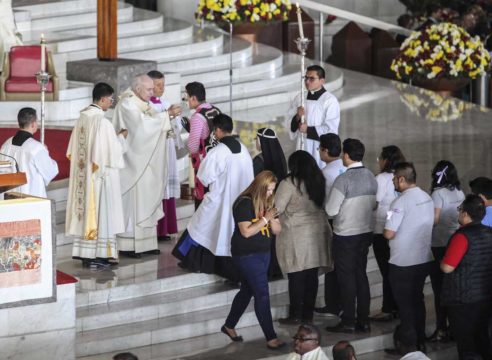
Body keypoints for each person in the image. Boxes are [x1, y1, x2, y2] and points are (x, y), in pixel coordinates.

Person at [172, 114, 253, 280]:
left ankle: (196, 262)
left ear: (217, 130)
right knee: (225, 232)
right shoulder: (244, 150)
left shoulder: (219, 151)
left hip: (220, 199)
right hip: (240, 202)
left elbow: (204, 177)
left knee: (199, 226)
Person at [221, 171, 285, 350]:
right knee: (262, 293)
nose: (271, 193)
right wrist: (266, 218)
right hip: (246, 255)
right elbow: (246, 232)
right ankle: (271, 338)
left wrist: (272, 220)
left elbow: (277, 231)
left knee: (248, 290)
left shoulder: (268, 202)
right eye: (269, 190)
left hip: (264, 253)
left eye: (273, 190)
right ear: (260, 186)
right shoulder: (244, 203)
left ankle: (229, 325)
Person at [66, 83, 128, 267]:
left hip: (83, 176)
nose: (111, 103)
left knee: (87, 214)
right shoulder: (102, 122)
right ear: (102, 99)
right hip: (100, 179)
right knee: (101, 214)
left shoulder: (81, 119)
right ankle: (98, 255)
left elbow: (72, 152)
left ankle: (85, 253)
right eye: (110, 99)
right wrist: (121, 137)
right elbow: (111, 154)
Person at [112, 74, 172, 257]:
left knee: (146, 200)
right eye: (149, 89)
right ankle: (128, 245)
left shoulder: (143, 103)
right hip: (133, 164)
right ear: (138, 89)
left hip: (145, 162)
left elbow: (153, 124)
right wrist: (165, 117)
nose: (152, 92)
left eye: (153, 89)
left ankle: (146, 243)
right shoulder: (127, 104)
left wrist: (164, 123)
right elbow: (142, 128)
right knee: (134, 204)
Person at [325, 138, 377, 334]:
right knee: (360, 276)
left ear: (346, 156)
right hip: (365, 234)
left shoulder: (343, 180)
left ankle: (348, 320)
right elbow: (373, 205)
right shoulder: (371, 176)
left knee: (346, 279)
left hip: (346, 235)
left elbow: (330, 210)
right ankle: (363, 321)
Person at [275, 150, 332, 324]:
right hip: (318, 231)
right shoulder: (319, 179)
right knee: (311, 275)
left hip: (296, 233)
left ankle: (295, 314)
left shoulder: (289, 183)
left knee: (296, 275)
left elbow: (277, 207)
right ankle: (307, 314)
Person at [383, 162, 434, 355]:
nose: (394, 182)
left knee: (405, 305)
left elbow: (388, 233)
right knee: (417, 301)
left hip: (402, 261)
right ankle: (420, 340)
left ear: (402, 179)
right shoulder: (427, 197)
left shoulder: (399, 202)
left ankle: (408, 345)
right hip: (423, 258)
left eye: (395, 178)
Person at [441, 194, 492, 360]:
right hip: (485, 295)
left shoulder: (462, 236)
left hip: (463, 298)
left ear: (465, 214)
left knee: (467, 344)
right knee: (483, 339)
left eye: (459, 209)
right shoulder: (489, 232)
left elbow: (447, 267)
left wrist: (442, 261)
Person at [427, 160, 464, 342]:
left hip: (440, 244)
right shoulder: (459, 192)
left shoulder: (438, 193)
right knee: (452, 289)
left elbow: (434, 220)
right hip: (456, 243)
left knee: (439, 289)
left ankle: (441, 328)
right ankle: (455, 328)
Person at [370, 145, 406, 322]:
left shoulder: (382, 178)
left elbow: (374, 203)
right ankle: (398, 306)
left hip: (382, 229)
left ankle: (388, 308)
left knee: (386, 271)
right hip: (399, 229)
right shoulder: (402, 176)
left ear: (385, 160)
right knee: (393, 269)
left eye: (380, 158)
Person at [147, 70, 183, 241]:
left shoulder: (166, 103)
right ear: (149, 86)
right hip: (155, 151)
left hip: (167, 148)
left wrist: (176, 118)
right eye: (158, 85)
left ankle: (167, 228)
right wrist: (167, 115)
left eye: (163, 84)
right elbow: (149, 126)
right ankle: (157, 229)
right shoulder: (146, 106)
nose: (162, 88)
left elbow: (176, 129)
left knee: (167, 186)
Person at [314, 133, 345, 317]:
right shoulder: (346, 167)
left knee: (331, 264)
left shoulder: (324, 173)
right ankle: (337, 303)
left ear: (325, 151)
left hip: (331, 220)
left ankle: (333, 303)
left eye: (319, 149)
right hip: (348, 220)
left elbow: (320, 201)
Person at [252, 127, 287, 278]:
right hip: (278, 205)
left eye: (256, 139)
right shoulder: (281, 158)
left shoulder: (258, 161)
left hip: (263, 205)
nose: (255, 142)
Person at [0, 107, 58, 198]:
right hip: (30, 200)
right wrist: (46, 151)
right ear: (33, 124)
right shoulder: (36, 148)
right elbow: (51, 171)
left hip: (9, 199)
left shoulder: (6, 145)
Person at [289, 65, 340, 168]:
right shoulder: (300, 97)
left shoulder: (329, 100)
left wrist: (308, 130)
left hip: (319, 148)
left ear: (322, 81)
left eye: (311, 78)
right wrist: (298, 117)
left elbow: (331, 129)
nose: (307, 81)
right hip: (302, 144)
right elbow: (290, 124)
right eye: (306, 78)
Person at [183, 81, 221, 208]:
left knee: (203, 200)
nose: (186, 100)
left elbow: (193, 146)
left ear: (193, 98)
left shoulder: (197, 117)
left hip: (206, 162)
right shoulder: (215, 109)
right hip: (220, 157)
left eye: (187, 97)